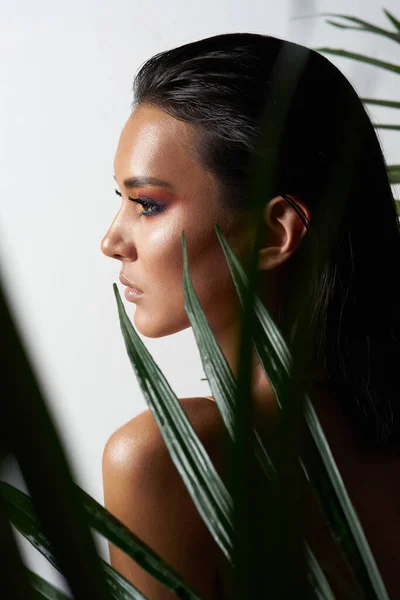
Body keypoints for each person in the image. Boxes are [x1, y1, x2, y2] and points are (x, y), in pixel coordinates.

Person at [100, 33, 400, 599]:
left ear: (275, 230)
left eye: (146, 204)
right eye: (119, 199)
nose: (111, 241)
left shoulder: (174, 458)